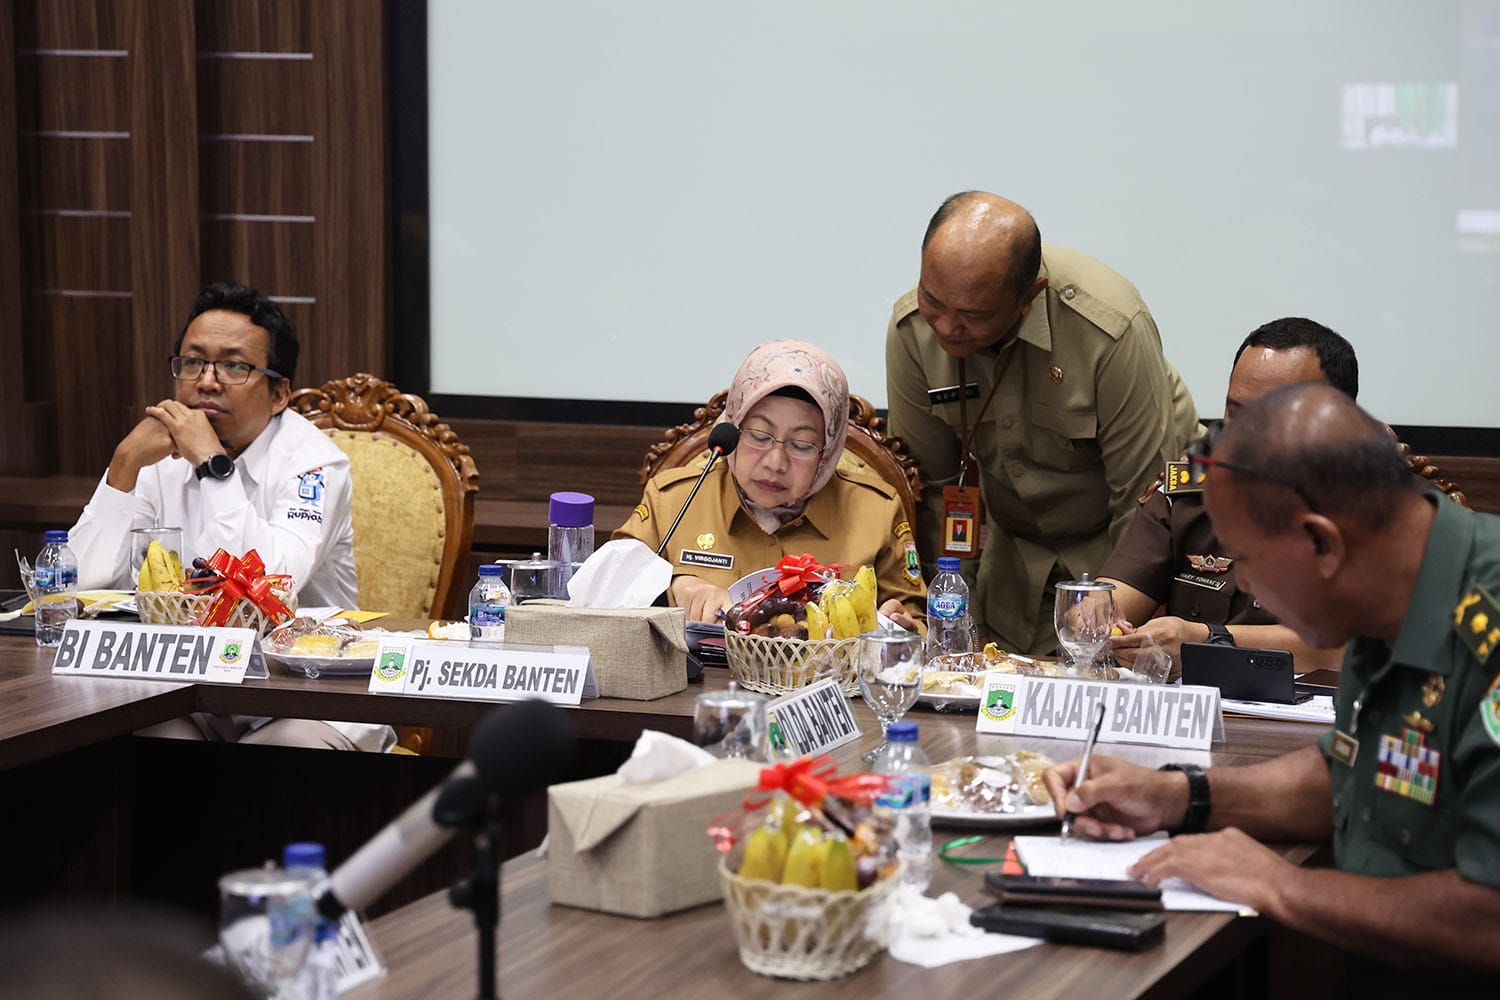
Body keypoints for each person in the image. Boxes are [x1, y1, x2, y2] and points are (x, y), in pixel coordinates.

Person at [1044, 383, 1500, 995]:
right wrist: (1173, 794)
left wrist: (1280, 885)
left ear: (1321, 543)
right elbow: (1346, 769)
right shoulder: (1390, 583)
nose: (1242, 582)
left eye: (1244, 558)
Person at [68, 281, 388, 751]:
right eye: (193, 362)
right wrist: (123, 466)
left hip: (305, 695)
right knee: (129, 737)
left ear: (280, 394)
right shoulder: (154, 455)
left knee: (282, 747)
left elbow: (272, 585)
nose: (207, 381)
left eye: (234, 366)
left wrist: (213, 465)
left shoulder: (314, 464)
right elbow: (80, 588)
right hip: (187, 693)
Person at [886, 191, 1199, 655]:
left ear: (1028, 296)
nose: (948, 327)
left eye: (973, 315)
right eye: (934, 300)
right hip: (1013, 560)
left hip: (1118, 554)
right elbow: (930, 493)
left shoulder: (1109, 329)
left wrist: (1119, 615)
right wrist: (946, 618)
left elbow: (1143, 506)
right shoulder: (913, 330)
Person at [1098, 318, 1357, 674]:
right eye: (1235, 412)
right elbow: (1114, 601)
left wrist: (1206, 642)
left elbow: (1341, 648)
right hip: (1195, 717)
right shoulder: (1188, 493)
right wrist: (1096, 617)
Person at [615, 339, 927, 626]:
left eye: (802, 445)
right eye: (760, 436)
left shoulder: (876, 511)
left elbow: (919, 624)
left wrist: (903, 627)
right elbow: (604, 594)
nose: (775, 463)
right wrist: (672, 587)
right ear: (734, 428)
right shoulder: (672, 500)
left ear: (828, 451)